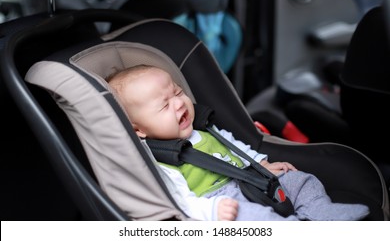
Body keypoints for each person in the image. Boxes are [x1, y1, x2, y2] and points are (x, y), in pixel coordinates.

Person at [107, 64, 370, 221]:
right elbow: (177, 200)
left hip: (247, 181)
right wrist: (212, 212)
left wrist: (262, 163)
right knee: (258, 220)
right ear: (138, 129)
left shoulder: (202, 128)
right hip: (220, 202)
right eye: (165, 105)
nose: (178, 103)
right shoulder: (159, 160)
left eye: (177, 92)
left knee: (299, 180)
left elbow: (233, 147)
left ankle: (323, 213)